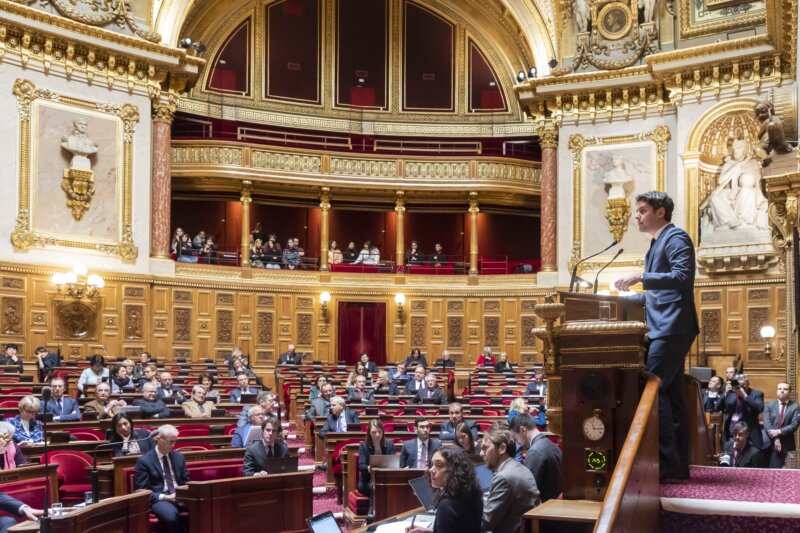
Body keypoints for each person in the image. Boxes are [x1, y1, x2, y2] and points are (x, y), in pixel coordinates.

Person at [615, 191, 699, 481]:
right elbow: (656, 295)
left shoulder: (675, 238)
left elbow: (682, 278)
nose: (636, 216)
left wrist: (642, 277)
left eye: (641, 210)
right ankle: (677, 467)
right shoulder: (657, 243)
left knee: (651, 385)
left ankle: (666, 463)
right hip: (665, 325)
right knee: (671, 396)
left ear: (660, 212)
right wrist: (621, 299)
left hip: (673, 326)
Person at [407, 446, 483, 533]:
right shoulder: (469, 494)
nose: (431, 470)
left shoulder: (447, 505)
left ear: (454, 470)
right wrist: (429, 531)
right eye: (432, 465)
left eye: (439, 465)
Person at [481, 426, 540, 533]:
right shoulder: (523, 469)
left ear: (502, 448)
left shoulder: (504, 477)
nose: (481, 453)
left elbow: (485, 523)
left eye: (485, 448)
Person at [133, 425, 190, 533]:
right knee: (172, 517)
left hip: (180, 495)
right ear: (158, 439)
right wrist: (166, 497)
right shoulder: (144, 461)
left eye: (175, 442)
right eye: (170, 442)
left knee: (204, 508)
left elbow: (185, 481)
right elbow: (141, 490)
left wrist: (185, 492)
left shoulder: (179, 457)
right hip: (159, 499)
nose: (173, 445)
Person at [510, 413, 563, 502]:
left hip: (543, 510)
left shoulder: (535, 452)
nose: (518, 443)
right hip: (554, 505)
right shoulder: (551, 445)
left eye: (516, 438)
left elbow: (526, 491)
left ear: (522, 430)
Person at [722, 373, 764, 450]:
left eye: (743, 384)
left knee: (753, 456)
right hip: (733, 431)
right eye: (739, 384)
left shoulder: (757, 394)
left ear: (748, 384)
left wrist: (745, 396)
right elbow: (717, 407)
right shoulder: (731, 394)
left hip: (750, 431)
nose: (741, 387)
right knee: (732, 456)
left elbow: (759, 408)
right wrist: (725, 393)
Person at [763, 382, 799, 468]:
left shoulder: (795, 407)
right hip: (767, 442)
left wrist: (779, 431)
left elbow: (794, 425)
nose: (782, 391)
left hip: (784, 443)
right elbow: (767, 424)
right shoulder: (769, 406)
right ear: (776, 391)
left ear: (790, 392)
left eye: (785, 389)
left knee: (775, 468)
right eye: (780, 389)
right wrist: (776, 439)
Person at [356, 420, 395, 496]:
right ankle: (373, 507)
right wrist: (369, 468)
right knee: (376, 488)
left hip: (386, 480)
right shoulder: (363, 446)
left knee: (386, 487)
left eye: (380, 432)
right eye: (374, 432)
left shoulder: (389, 444)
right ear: (369, 433)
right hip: (367, 481)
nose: (377, 435)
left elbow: (393, 463)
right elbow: (361, 466)